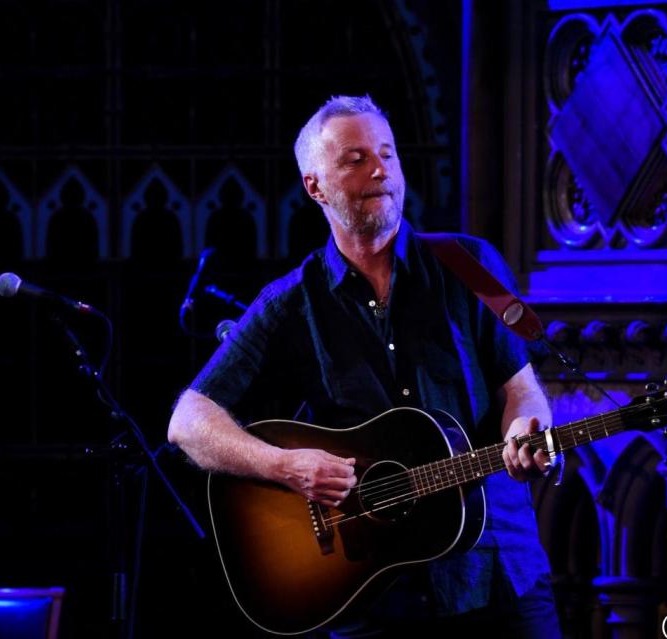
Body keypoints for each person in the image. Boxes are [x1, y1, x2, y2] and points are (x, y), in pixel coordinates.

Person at [167, 95, 561, 637]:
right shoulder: (290, 303)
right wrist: (284, 467)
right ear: (315, 186)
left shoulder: (468, 265)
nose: (380, 170)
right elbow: (187, 422)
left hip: (497, 572)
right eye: (354, 159)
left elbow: (522, 389)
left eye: (388, 154)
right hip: (368, 592)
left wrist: (525, 426)